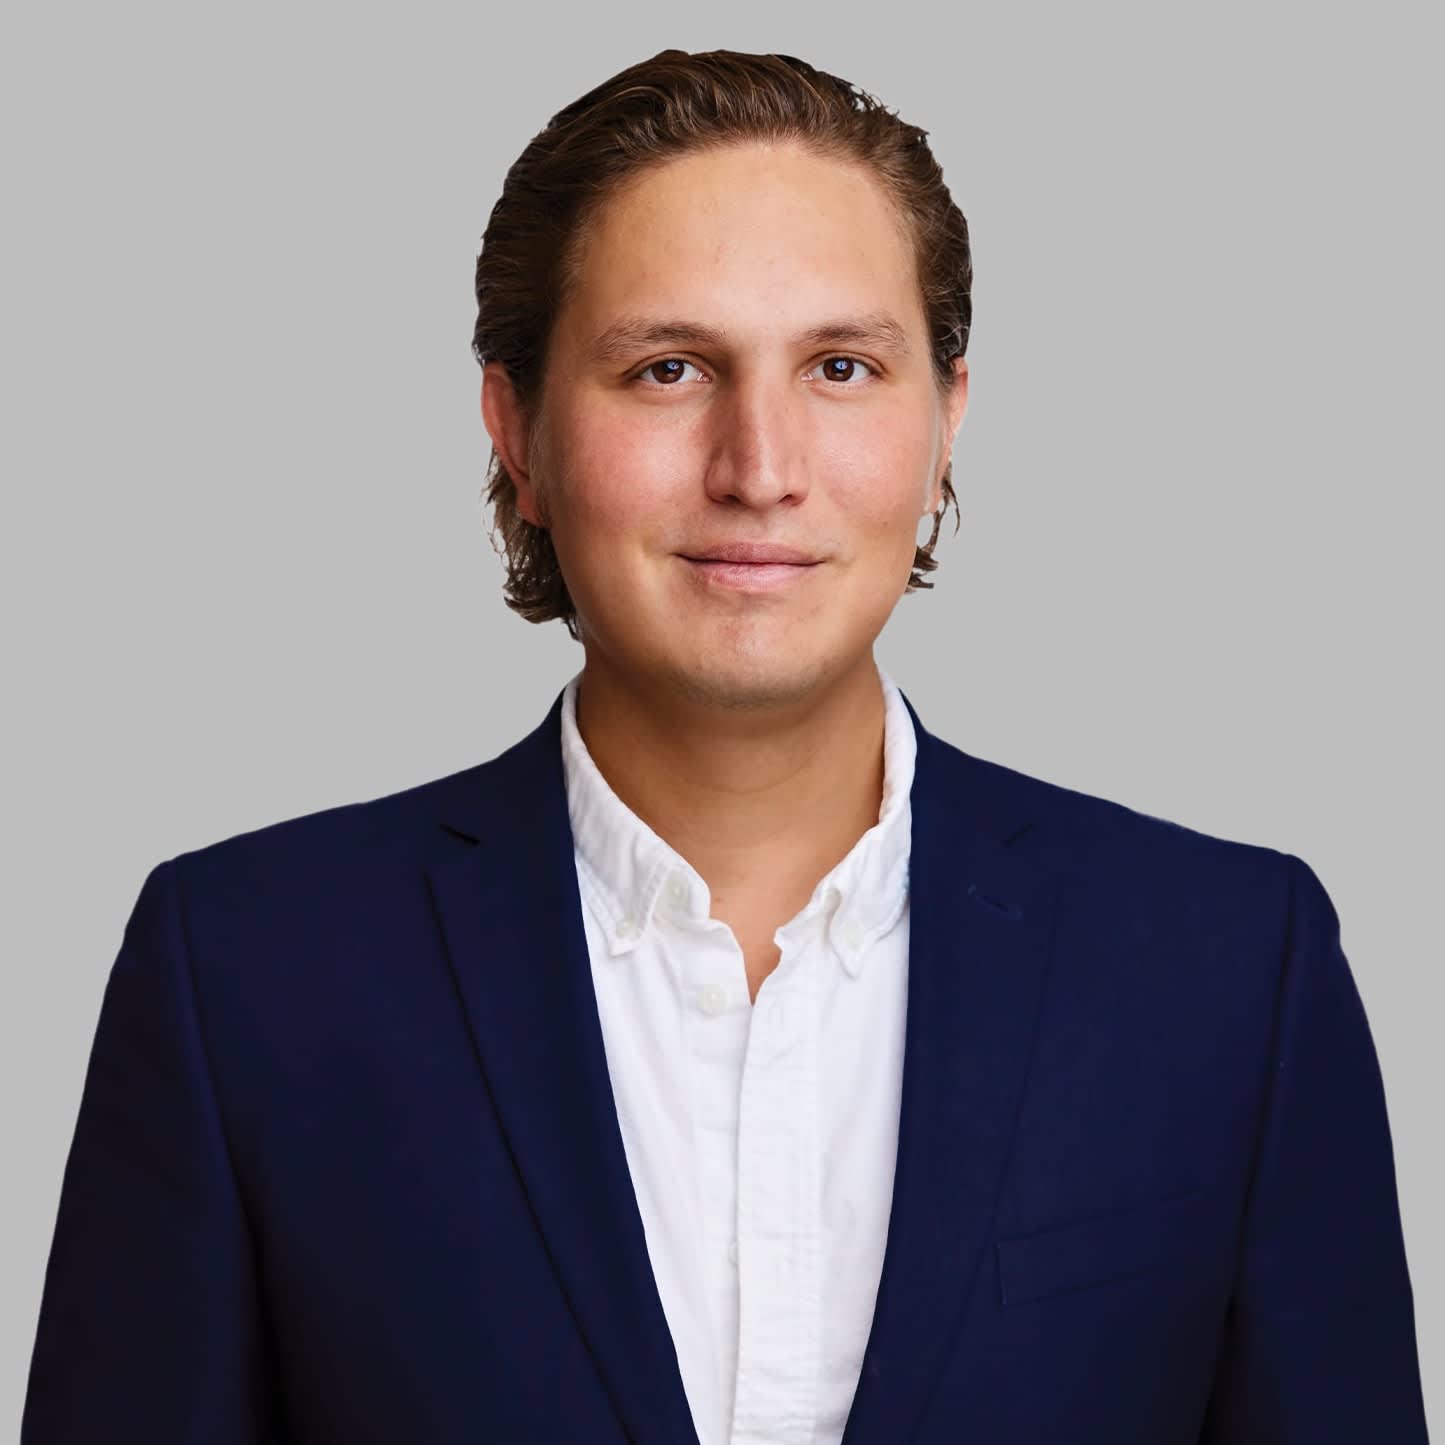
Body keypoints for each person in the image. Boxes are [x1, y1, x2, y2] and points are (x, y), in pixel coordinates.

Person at [21, 47, 1428, 1445]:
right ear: (517, 431)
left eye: (840, 366)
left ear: (945, 419)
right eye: (668, 369)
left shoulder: (1235, 971)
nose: (759, 466)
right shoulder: (243, 974)